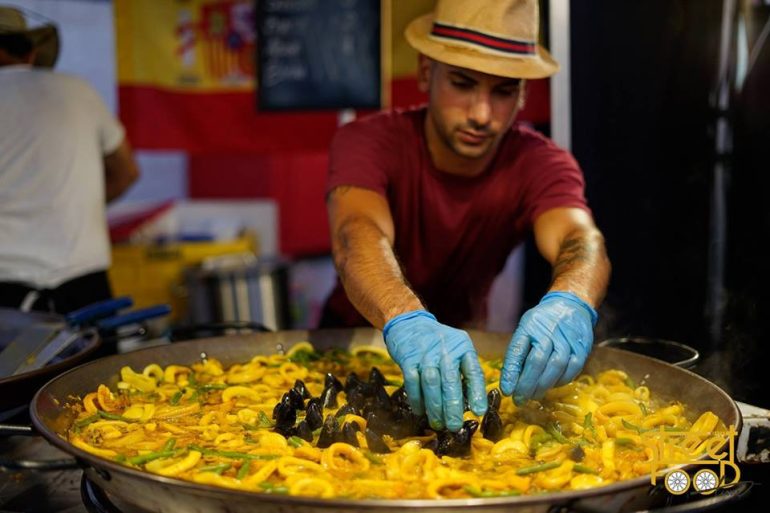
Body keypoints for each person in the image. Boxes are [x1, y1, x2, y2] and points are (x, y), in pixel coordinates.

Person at [320, 0, 611, 432]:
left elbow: (579, 239)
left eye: (503, 91)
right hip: (354, 344)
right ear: (425, 72)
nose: (481, 114)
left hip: (469, 357)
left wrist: (570, 301)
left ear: (524, 94)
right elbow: (355, 234)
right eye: (462, 83)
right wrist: (406, 319)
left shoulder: (540, 162)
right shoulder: (368, 141)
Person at [0, 6, 140, 315]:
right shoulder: (78, 91)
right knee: (99, 366)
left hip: (6, 292)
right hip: (84, 285)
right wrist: (72, 205)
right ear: (31, 53)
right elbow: (126, 172)